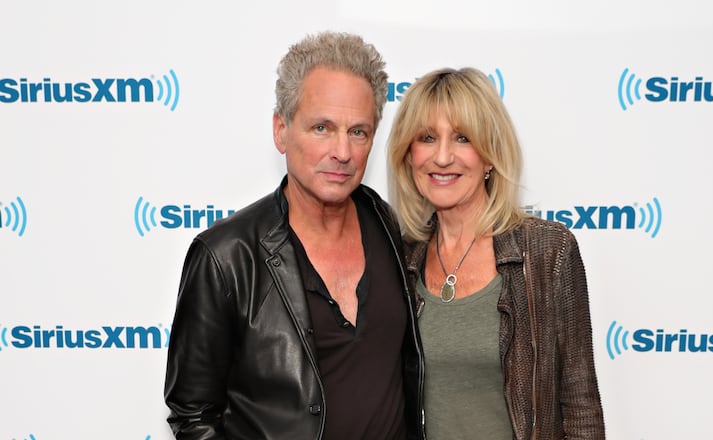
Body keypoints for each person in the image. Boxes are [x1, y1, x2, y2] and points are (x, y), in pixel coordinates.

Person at [164, 31, 424, 440]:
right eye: (322, 127)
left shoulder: (386, 224)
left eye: (358, 131)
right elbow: (193, 413)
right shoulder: (226, 256)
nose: (342, 151)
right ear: (281, 130)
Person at [387, 67, 605, 440]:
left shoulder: (546, 252)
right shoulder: (399, 257)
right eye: (426, 138)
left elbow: (580, 407)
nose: (442, 157)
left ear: (489, 156)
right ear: (409, 154)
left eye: (462, 138)